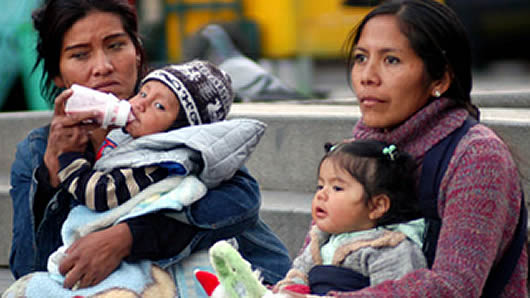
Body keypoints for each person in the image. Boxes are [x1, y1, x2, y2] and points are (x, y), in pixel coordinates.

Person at [8, 0, 290, 292]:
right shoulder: (36, 151)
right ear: (58, 74)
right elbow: (30, 269)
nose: (103, 67)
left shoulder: (175, 121)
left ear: (137, 52)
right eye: (80, 55)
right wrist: (52, 176)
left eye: (116, 46)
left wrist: (127, 238)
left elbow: (239, 201)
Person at [287, 0, 527, 296]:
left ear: (439, 78)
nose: (367, 76)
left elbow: (456, 286)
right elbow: (314, 249)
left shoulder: (477, 157)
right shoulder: (356, 153)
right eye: (361, 58)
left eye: (391, 61)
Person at [58, 60, 242, 211]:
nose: (140, 104)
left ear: (179, 131)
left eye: (159, 106)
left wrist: (69, 155)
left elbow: (99, 194)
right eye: (143, 93)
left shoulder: (157, 163)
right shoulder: (133, 140)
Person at [272, 141, 425, 295]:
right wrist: (290, 289)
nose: (321, 195)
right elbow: (298, 274)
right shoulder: (320, 241)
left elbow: (395, 293)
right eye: (320, 186)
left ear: (377, 206)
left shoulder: (391, 249)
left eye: (337, 188)